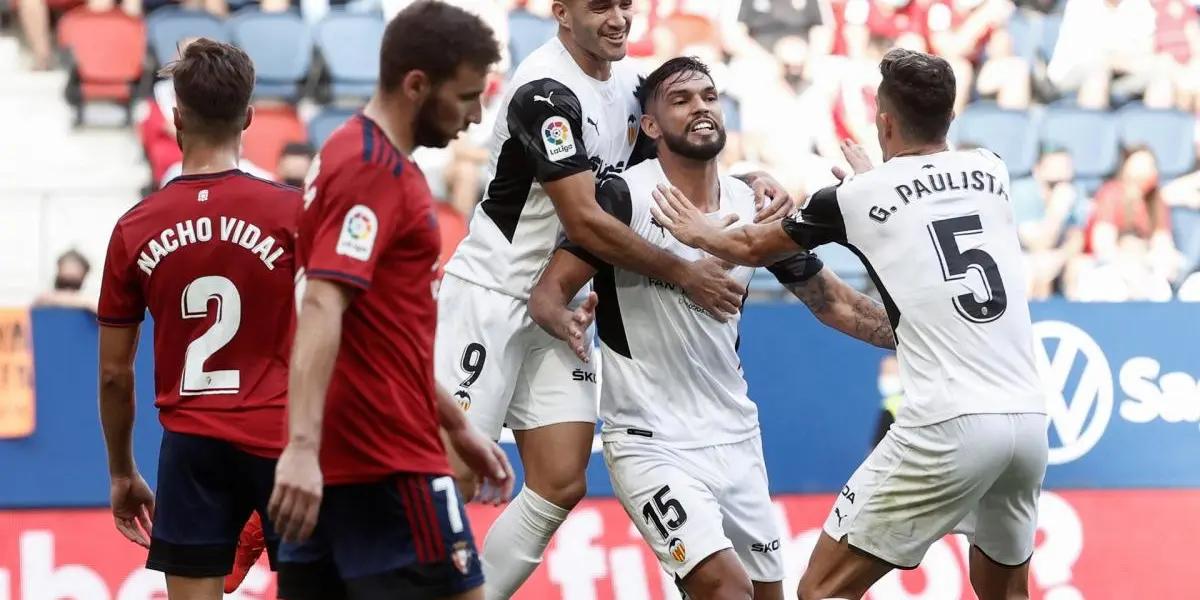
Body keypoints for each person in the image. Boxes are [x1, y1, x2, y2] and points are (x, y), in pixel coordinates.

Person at [650, 48, 1049, 600]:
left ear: (883, 120)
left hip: (947, 425)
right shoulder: (991, 170)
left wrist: (696, 232)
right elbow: (929, 212)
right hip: (1028, 422)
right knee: (1004, 592)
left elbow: (749, 244)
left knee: (821, 591)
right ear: (951, 119)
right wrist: (882, 185)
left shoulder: (857, 195)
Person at [434, 2, 793, 595]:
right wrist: (684, 272)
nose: (619, 17)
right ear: (561, 13)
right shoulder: (544, 91)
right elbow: (587, 218)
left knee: (559, 481)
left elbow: (675, 160)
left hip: (563, 303)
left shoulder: (631, 85)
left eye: (625, 3)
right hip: (492, 295)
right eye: (600, 6)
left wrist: (748, 178)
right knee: (454, 474)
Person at [529, 56, 894, 600]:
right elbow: (547, 293)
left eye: (708, 96)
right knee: (725, 590)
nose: (700, 106)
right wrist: (566, 319)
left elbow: (831, 301)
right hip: (650, 440)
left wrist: (919, 332)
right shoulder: (624, 197)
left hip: (736, 435)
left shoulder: (754, 204)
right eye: (680, 100)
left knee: (768, 593)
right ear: (650, 126)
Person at [266, 3, 514, 599]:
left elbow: (375, 333)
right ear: (416, 85)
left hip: (343, 460)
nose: (476, 116)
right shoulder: (375, 170)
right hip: (388, 463)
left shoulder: (347, 148)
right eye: (466, 97)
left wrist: (457, 426)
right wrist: (300, 448)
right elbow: (323, 305)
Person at [96, 38, 300, 600]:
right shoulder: (292, 216)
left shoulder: (135, 227)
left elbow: (115, 374)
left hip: (191, 445)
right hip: (283, 440)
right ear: (250, 117)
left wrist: (121, 471)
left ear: (176, 116)